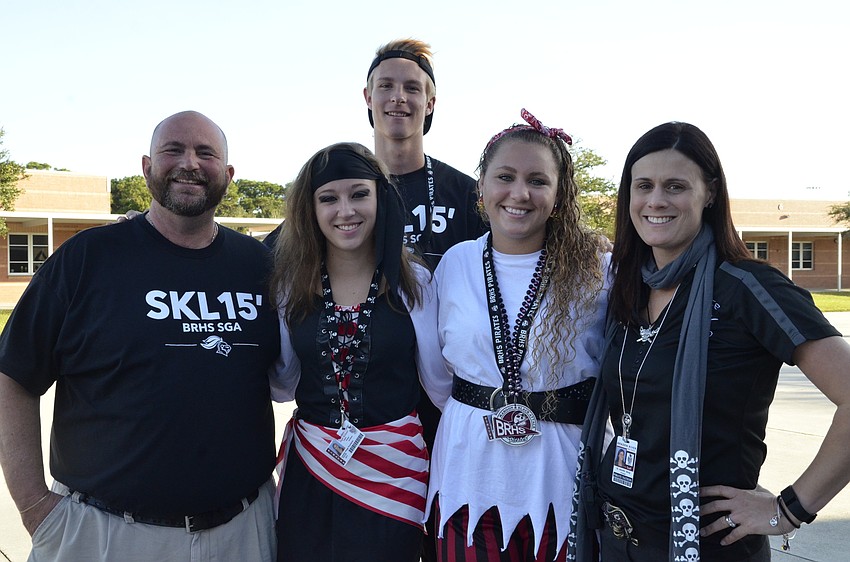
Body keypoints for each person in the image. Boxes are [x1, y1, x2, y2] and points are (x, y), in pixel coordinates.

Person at [0, 111, 280, 562]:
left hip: (243, 534)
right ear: (147, 168)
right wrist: (35, 507)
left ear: (228, 175)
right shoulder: (87, 259)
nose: (189, 163)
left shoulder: (260, 267)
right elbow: (12, 376)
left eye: (205, 153)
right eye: (173, 150)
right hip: (104, 537)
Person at [569, 122, 850, 561]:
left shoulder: (748, 287)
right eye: (644, 186)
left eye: (675, 186)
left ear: (710, 193)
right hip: (616, 536)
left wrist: (789, 509)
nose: (656, 200)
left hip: (706, 546)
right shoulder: (626, 287)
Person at [426, 109, 611, 561]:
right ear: (482, 187)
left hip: (563, 474)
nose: (519, 193)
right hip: (468, 471)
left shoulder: (599, 269)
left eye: (538, 180)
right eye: (505, 177)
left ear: (559, 194)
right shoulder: (455, 263)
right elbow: (435, 374)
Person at [268, 142, 449, 562]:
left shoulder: (414, 281)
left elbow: (439, 384)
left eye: (359, 194)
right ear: (310, 209)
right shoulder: (290, 285)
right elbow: (283, 383)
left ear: (380, 198)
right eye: (328, 198)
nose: (345, 210)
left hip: (395, 473)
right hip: (312, 466)